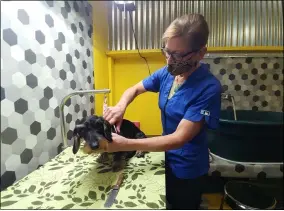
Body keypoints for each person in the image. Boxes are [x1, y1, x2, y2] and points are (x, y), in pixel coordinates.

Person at [103, 13, 222, 210]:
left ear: (201, 53)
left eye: (178, 55)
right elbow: (134, 89)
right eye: (167, 52)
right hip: (164, 155)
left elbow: (179, 138)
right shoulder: (167, 74)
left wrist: (126, 144)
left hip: (187, 167)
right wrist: (120, 107)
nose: (169, 61)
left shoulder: (208, 88)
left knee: (183, 204)